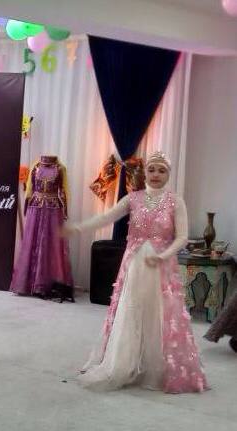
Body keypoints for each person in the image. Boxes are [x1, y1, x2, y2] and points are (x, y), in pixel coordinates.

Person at [63, 151, 207, 393]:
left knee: (160, 314)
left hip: (160, 266)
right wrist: (78, 228)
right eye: (152, 169)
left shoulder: (175, 201)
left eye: (162, 170)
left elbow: (182, 237)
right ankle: (125, 362)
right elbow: (106, 217)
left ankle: (157, 368)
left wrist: (163, 255)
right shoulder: (133, 198)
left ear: (168, 174)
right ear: (145, 172)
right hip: (135, 265)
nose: (156, 174)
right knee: (131, 310)